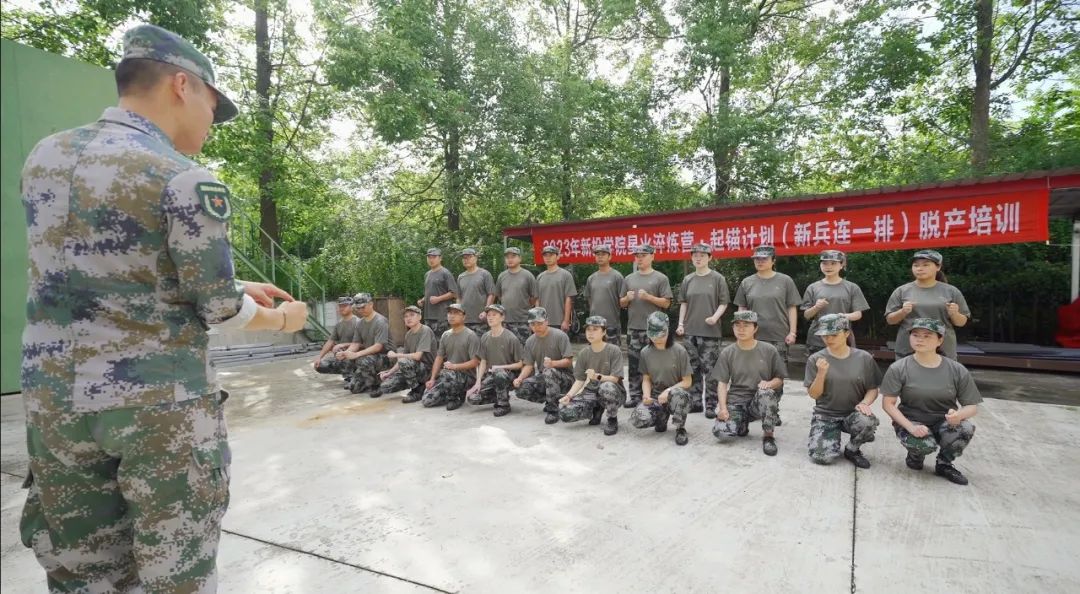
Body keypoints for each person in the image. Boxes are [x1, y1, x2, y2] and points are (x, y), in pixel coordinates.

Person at [18, 23, 308, 592]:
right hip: (156, 411)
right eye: (212, 105)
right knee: (177, 571)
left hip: (55, 403)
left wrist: (238, 282)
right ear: (181, 85)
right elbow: (219, 309)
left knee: (82, 571)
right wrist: (282, 320)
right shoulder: (181, 177)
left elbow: (100, 270)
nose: (211, 121)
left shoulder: (47, 157)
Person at [880, 318, 982, 485]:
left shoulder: (956, 369)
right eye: (915, 335)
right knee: (924, 444)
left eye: (927, 336)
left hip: (943, 421)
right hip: (912, 421)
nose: (920, 339)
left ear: (940, 340)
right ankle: (915, 456)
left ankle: (944, 464)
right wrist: (910, 427)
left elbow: (972, 406)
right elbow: (888, 404)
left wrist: (959, 415)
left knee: (965, 428)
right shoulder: (899, 368)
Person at [803, 314, 881, 468]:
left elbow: (873, 388)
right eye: (825, 335)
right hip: (826, 415)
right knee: (822, 458)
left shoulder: (863, 358)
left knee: (867, 421)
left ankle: (852, 450)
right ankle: (830, 437)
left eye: (834, 335)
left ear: (846, 333)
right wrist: (821, 374)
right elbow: (814, 394)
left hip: (852, 414)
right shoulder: (816, 359)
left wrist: (864, 403)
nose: (828, 339)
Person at [733, 245, 799, 422]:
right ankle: (754, 408)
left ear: (773, 261)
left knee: (777, 376)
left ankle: (772, 410)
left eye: (764, 259)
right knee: (753, 373)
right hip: (753, 336)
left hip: (778, 335)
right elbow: (742, 308)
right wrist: (740, 331)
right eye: (757, 259)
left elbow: (791, 307)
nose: (760, 262)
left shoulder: (785, 281)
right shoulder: (747, 282)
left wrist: (792, 332)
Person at [711, 311, 786, 456]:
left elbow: (780, 379)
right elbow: (722, 383)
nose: (741, 329)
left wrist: (769, 384)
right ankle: (742, 423)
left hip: (759, 400)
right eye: (737, 325)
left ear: (755, 328)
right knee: (721, 433)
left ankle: (768, 436)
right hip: (737, 400)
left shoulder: (769, 350)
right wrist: (723, 408)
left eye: (746, 325)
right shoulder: (727, 352)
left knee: (766, 394)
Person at [885, 250, 971, 360]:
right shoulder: (902, 291)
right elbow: (890, 320)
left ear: (938, 267)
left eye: (926, 265)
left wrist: (954, 314)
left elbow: (961, 322)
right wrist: (903, 311)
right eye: (916, 265)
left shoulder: (951, 291)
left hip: (942, 350)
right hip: (909, 349)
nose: (919, 268)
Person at [676, 243, 729, 417]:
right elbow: (683, 303)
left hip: (710, 333)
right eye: (695, 255)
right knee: (692, 369)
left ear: (710, 257)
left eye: (702, 255)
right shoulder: (688, 279)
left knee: (711, 370)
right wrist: (681, 324)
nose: (698, 258)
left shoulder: (717, 279)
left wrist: (715, 317)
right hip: (690, 331)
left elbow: (724, 303)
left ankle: (711, 404)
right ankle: (695, 402)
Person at [620, 244, 673, 409]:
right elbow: (621, 303)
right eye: (637, 256)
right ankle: (635, 396)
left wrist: (649, 297)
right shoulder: (629, 279)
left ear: (652, 256)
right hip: (634, 328)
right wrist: (626, 299)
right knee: (634, 364)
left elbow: (667, 303)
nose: (640, 258)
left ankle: (657, 395)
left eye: (643, 255)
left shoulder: (660, 278)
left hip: (655, 330)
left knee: (656, 364)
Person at [629, 312, 693, 446]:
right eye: (653, 335)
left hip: (676, 395)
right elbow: (646, 379)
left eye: (660, 335)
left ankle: (680, 428)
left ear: (668, 330)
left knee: (679, 395)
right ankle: (661, 419)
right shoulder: (645, 352)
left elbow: (687, 382)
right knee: (638, 419)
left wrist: (669, 391)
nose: (657, 339)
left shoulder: (679, 351)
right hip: (657, 397)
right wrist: (646, 396)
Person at [558, 316, 626, 436]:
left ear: (604, 332)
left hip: (613, 392)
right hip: (592, 392)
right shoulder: (584, 353)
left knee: (606, 386)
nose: (590, 332)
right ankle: (596, 409)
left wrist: (598, 377)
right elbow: (579, 380)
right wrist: (568, 396)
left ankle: (612, 419)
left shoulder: (614, 350)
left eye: (595, 329)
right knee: (565, 413)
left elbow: (615, 378)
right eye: (588, 329)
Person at [512, 307, 575, 424]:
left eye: (540, 323)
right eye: (533, 324)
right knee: (522, 389)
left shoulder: (560, 336)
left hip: (566, 378)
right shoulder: (530, 341)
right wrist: (519, 378)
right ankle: (551, 398)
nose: (536, 327)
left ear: (547, 321)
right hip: (545, 377)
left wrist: (553, 363)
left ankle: (553, 410)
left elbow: (569, 361)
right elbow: (528, 365)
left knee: (548, 371)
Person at [801, 250, 869, 355]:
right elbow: (806, 315)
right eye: (824, 263)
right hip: (817, 340)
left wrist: (844, 316)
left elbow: (858, 314)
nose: (828, 267)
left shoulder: (852, 287)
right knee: (818, 365)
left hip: (842, 339)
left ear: (841, 265)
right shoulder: (813, 287)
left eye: (833, 263)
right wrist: (816, 307)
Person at [466, 304, 524, 417]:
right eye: (488, 315)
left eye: (494, 315)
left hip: (509, 376)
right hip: (492, 375)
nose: (490, 317)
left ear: (502, 317)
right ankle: (500, 395)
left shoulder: (511, 338)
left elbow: (520, 364)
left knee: (499, 373)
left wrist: (501, 367)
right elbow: (483, 360)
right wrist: (478, 382)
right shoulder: (485, 337)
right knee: (472, 398)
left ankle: (503, 405)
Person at [419, 304, 481, 409]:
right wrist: (432, 379)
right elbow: (439, 357)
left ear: (464, 317)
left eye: (456, 313)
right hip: (449, 376)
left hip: (467, 377)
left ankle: (457, 398)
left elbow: (475, 362)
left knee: (446, 373)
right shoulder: (445, 335)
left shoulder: (471, 336)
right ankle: (450, 393)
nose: (452, 316)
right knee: (427, 401)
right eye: (450, 313)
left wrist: (454, 367)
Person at [337, 293, 394, 396]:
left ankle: (376, 385)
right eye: (358, 308)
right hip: (371, 357)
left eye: (363, 307)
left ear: (371, 304)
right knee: (354, 388)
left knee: (362, 359)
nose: (361, 310)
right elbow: (355, 343)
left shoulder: (380, 321)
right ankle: (368, 378)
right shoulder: (360, 323)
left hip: (387, 357)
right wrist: (346, 353)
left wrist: (356, 354)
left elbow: (378, 346)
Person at [376, 305, 436, 401]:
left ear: (420, 317)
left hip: (427, 370)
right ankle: (418, 385)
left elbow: (417, 356)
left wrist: (395, 355)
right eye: (406, 316)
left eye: (412, 315)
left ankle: (417, 391)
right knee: (385, 387)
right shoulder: (408, 334)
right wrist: (389, 372)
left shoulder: (425, 330)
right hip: (413, 369)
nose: (408, 318)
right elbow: (402, 359)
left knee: (404, 361)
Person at [494, 247, 539, 344]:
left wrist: (525, 305)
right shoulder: (502, 276)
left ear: (520, 258)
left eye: (513, 256)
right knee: (506, 349)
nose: (510, 259)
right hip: (505, 321)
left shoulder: (528, 276)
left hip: (522, 321)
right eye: (507, 257)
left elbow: (534, 297)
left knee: (523, 349)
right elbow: (499, 295)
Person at [584, 243, 625, 345]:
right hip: (594, 325)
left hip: (611, 324)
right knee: (594, 353)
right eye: (598, 254)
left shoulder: (617, 276)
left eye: (603, 254)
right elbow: (590, 299)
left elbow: (623, 300)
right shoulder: (591, 278)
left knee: (612, 352)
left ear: (609, 256)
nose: (600, 257)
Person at [313, 295, 360, 382]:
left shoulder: (358, 322)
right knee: (320, 365)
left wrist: (343, 345)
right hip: (341, 356)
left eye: (345, 306)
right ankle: (349, 372)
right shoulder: (339, 324)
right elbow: (330, 341)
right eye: (340, 306)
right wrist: (319, 357)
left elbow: (363, 344)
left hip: (356, 355)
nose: (342, 308)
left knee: (343, 354)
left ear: (351, 307)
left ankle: (353, 375)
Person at [536, 245, 578, 332]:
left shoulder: (566, 275)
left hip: (559, 321)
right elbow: (537, 300)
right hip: (543, 321)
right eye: (545, 255)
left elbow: (569, 299)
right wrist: (537, 318)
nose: (548, 258)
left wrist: (566, 320)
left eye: (551, 255)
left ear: (558, 256)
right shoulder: (540, 277)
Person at [418, 247, 459, 337]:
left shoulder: (445, 273)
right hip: (428, 316)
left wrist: (438, 299)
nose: (431, 259)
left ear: (440, 258)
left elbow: (454, 293)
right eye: (429, 257)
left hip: (441, 316)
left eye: (434, 257)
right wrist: (423, 300)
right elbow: (429, 293)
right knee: (430, 342)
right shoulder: (427, 274)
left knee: (442, 342)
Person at [457, 248, 496, 335]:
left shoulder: (484, 274)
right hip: (465, 320)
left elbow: (492, 294)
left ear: (475, 258)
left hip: (481, 319)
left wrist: (486, 311)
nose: (466, 260)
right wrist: (458, 313)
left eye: (469, 257)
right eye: (464, 258)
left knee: (481, 342)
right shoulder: (461, 277)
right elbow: (459, 297)